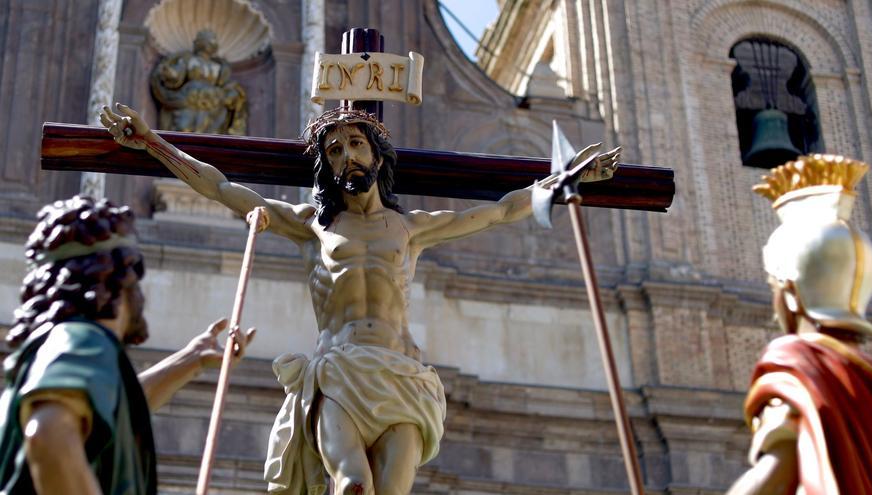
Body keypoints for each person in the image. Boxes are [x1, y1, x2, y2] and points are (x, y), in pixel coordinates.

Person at [99, 103, 618, 495]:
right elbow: (221, 187)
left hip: (401, 377)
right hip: (340, 374)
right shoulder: (311, 227)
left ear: (375, 153)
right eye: (335, 149)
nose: (348, 155)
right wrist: (151, 144)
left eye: (356, 143)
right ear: (327, 165)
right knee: (351, 486)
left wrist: (564, 179)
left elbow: (502, 211)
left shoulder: (410, 229)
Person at [0, 195, 257, 494]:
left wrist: (192, 358)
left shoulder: (48, 354)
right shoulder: (84, 339)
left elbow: (120, 412)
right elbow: (48, 434)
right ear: (118, 279)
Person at [728, 154, 872, 495]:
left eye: (774, 288)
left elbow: (774, 473)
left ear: (792, 293)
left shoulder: (801, 366)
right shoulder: (871, 380)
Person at [150, 29, 248, 135]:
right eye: (204, 40)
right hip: (190, 98)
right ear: (197, 43)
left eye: (211, 41)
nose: (207, 44)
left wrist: (231, 93)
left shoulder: (219, 66)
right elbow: (177, 74)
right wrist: (171, 73)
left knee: (212, 133)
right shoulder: (189, 59)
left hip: (212, 102)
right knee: (182, 128)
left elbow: (224, 85)